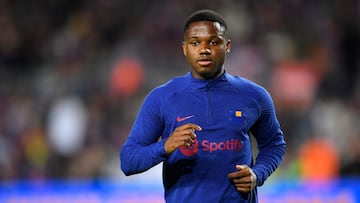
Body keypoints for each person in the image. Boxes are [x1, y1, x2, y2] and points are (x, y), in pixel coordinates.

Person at [120, 9, 286, 203]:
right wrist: (165, 146)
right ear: (185, 48)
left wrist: (258, 174)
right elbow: (128, 161)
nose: (204, 49)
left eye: (213, 42)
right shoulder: (162, 98)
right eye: (195, 42)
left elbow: (274, 145)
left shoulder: (254, 96)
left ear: (228, 46)